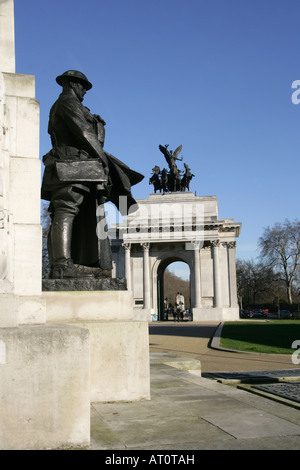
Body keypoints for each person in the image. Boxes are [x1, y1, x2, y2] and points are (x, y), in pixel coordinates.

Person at [41, 70, 143, 279]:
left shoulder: (65, 105)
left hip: (75, 167)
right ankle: (61, 265)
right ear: (71, 84)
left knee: (69, 210)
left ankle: (63, 264)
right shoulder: (68, 103)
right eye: (82, 86)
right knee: (66, 209)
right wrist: (102, 158)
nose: (84, 91)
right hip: (70, 166)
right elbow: (84, 133)